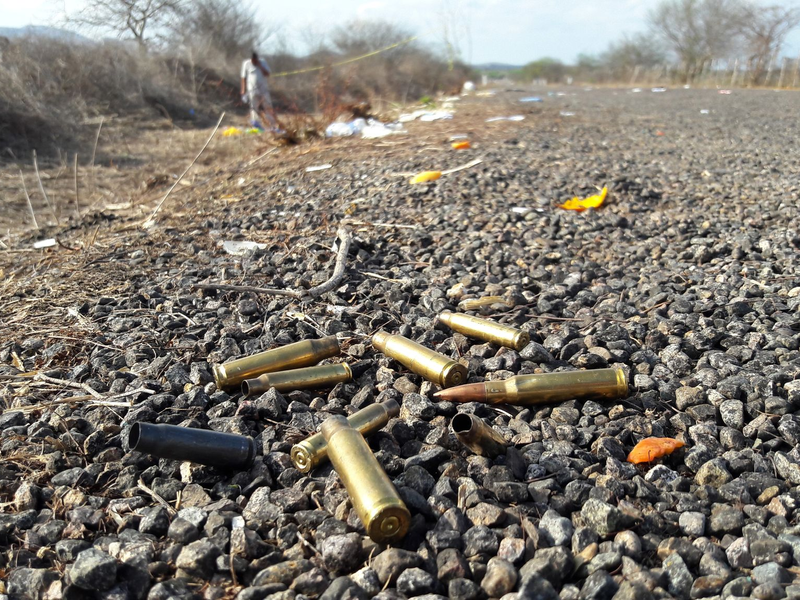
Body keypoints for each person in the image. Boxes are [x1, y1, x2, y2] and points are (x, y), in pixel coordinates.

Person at [241, 52, 281, 132]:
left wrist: (260, 66)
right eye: (253, 61)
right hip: (251, 90)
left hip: (263, 90)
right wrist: (243, 91)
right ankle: (256, 125)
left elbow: (267, 74)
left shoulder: (263, 62)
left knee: (267, 106)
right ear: (251, 59)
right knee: (253, 107)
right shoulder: (246, 64)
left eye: (256, 61)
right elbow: (243, 77)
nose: (254, 62)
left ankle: (272, 125)